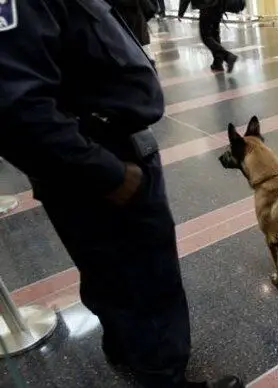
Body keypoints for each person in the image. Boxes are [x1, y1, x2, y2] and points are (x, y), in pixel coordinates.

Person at [0, 1, 243, 387]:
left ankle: (127, 348)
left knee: (110, 274)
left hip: (95, 154)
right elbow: (15, 109)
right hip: (97, 162)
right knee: (147, 280)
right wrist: (108, 174)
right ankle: (162, 376)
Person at [178, 0, 238, 72]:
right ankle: (218, 63)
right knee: (214, 33)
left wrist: (181, 12)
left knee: (206, 36)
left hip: (207, 5)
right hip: (219, 5)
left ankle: (227, 56)